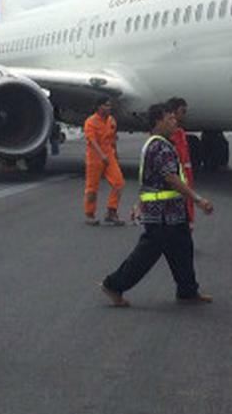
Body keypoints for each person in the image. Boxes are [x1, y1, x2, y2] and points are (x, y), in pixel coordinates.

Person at [101, 103, 214, 307]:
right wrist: (197, 199)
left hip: (172, 211)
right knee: (146, 255)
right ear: (157, 122)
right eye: (170, 118)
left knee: (182, 249)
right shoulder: (160, 146)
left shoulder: (161, 143)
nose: (175, 121)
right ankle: (113, 285)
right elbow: (171, 178)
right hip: (162, 213)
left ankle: (187, 291)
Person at [83, 97, 125, 226]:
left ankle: (111, 212)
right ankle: (90, 214)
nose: (109, 108)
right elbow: (92, 140)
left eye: (109, 105)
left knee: (119, 183)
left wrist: (115, 154)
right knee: (92, 188)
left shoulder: (111, 121)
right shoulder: (90, 122)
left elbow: (112, 139)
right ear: (99, 107)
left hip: (109, 155)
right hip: (95, 157)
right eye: (106, 105)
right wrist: (101, 155)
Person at [166, 97, 196, 228]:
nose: (184, 115)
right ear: (173, 113)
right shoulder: (166, 137)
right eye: (182, 112)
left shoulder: (181, 133)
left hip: (185, 178)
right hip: (176, 180)